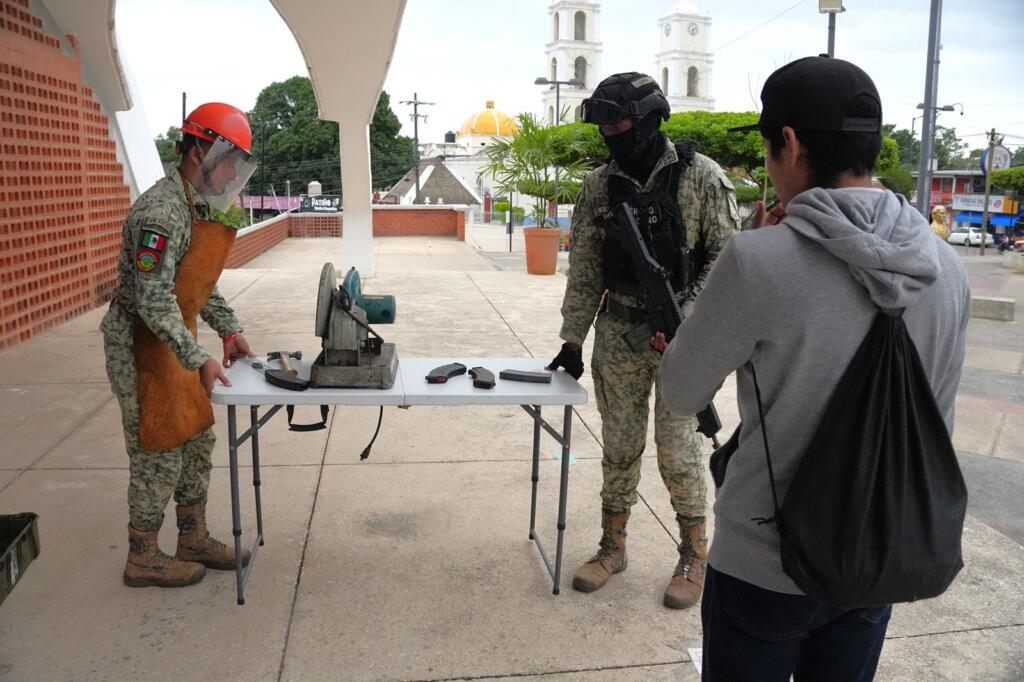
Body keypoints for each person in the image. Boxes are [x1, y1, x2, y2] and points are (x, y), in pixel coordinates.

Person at [658, 56, 970, 679]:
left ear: (791, 143)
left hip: (764, 563)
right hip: (876, 553)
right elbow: (935, 413)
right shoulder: (947, 267)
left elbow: (681, 391)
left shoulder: (757, 260)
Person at [546, 72, 739, 608]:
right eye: (604, 126)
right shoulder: (598, 186)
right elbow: (586, 268)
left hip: (684, 338)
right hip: (619, 333)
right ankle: (613, 547)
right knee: (619, 446)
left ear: (652, 120)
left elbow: (728, 260)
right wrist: (572, 339)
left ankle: (694, 553)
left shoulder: (701, 176)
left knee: (678, 451)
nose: (611, 134)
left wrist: (685, 320)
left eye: (622, 123)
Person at [101, 102, 260, 588]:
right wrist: (198, 357)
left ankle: (192, 538)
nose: (231, 173)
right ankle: (143, 557)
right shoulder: (161, 212)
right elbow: (152, 298)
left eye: (238, 164)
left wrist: (228, 330)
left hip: (175, 336)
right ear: (197, 152)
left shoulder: (197, 206)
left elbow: (196, 282)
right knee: (158, 447)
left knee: (196, 437)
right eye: (227, 160)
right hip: (139, 341)